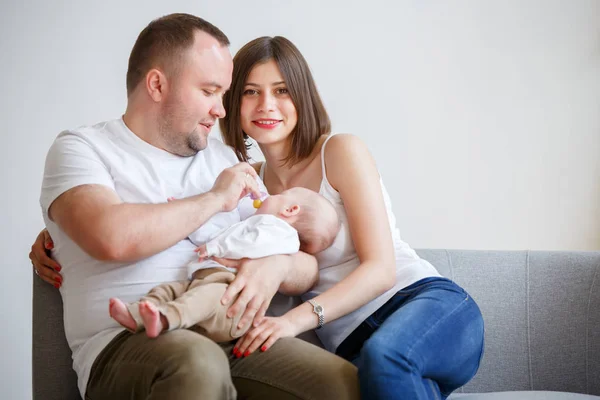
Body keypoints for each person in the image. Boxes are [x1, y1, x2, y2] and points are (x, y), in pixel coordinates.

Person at [30, 14, 359, 400]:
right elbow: (111, 237)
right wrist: (215, 200)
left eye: (224, 94)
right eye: (209, 91)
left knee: (338, 382)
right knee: (198, 363)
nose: (222, 110)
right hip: (125, 342)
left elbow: (301, 259)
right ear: (156, 84)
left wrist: (279, 265)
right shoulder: (81, 149)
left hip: (226, 330)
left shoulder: (223, 160)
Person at [215, 36, 486, 400]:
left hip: (425, 307)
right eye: (250, 92)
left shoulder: (339, 152)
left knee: (386, 357)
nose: (267, 105)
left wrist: (292, 323)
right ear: (234, 103)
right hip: (353, 347)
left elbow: (381, 269)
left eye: (281, 90)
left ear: (302, 96)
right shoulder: (250, 187)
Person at [109, 187, 340, 342]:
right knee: (169, 290)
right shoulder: (256, 223)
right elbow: (214, 236)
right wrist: (187, 216)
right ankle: (138, 315)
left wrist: (214, 249)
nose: (271, 195)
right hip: (202, 281)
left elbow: (250, 245)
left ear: (290, 210)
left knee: (202, 300)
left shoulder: (280, 233)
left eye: (281, 194)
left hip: (229, 297)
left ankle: (164, 319)